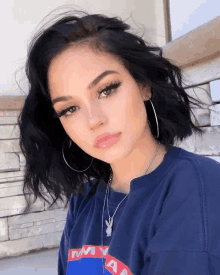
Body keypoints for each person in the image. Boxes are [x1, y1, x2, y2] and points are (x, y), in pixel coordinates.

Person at [17, 7, 220, 275]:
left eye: (107, 90)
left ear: (143, 85)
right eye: (70, 109)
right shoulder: (83, 202)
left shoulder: (195, 187)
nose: (93, 120)